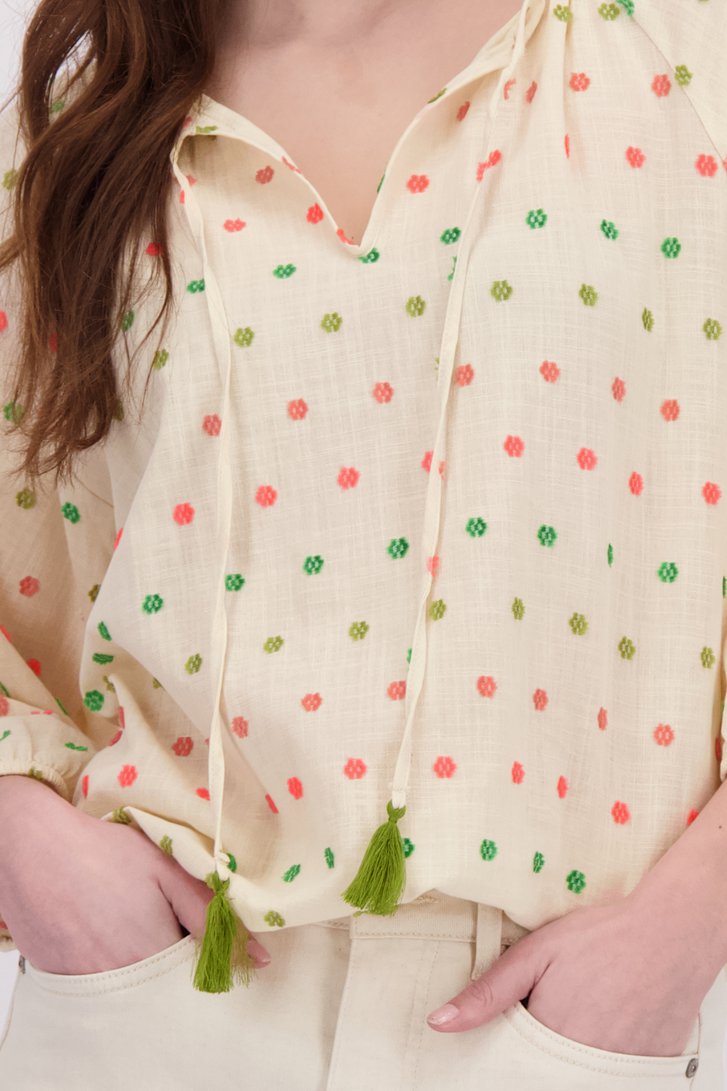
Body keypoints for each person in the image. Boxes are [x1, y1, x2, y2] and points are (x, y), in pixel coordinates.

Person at [0, 0, 726, 1086]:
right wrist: (21, 831)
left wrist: (687, 919)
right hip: (158, 988)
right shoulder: (85, 113)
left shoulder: (680, 56)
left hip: (559, 1013)